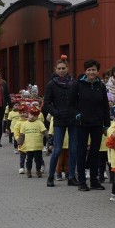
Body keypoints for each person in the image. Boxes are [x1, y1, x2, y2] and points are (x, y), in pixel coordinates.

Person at [69, 59, 111, 191]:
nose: (91, 72)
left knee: (95, 153)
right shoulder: (78, 84)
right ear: (85, 71)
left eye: (93, 70)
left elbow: (105, 106)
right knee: (82, 152)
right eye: (89, 70)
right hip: (82, 123)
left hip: (97, 123)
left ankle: (94, 181)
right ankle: (82, 181)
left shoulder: (101, 86)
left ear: (97, 71)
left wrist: (106, 125)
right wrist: (77, 114)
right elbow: (71, 104)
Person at [43, 56, 78, 187]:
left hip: (72, 119)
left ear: (68, 69)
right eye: (59, 68)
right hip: (59, 119)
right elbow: (46, 103)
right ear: (55, 69)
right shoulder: (51, 84)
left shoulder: (73, 83)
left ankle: (71, 176)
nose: (61, 70)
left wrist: (76, 112)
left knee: (73, 149)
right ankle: (51, 177)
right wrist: (56, 113)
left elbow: (77, 100)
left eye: (64, 68)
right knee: (57, 149)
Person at [18, 105, 48, 178]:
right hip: (29, 146)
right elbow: (22, 134)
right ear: (28, 114)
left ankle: (38, 170)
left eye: (34, 116)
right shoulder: (25, 124)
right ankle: (29, 171)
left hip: (38, 146)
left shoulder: (39, 123)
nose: (32, 117)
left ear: (37, 116)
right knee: (29, 160)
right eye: (31, 115)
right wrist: (19, 143)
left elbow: (44, 132)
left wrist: (50, 138)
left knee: (38, 160)